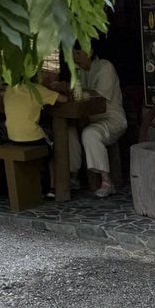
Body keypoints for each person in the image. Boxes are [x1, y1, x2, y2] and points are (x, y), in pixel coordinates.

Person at [56, 44, 127, 198]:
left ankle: (107, 182)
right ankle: (72, 176)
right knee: (68, 131)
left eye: (79, 53)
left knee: (90, 134)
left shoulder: (105, 67)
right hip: (88, 119)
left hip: (111, 120)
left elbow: (99, 95)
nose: (75, 57)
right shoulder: (80, 72)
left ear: (91, 52)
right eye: (73, 53)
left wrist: (69, 88)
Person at [2, 78, 67, 198]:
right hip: (32, 136)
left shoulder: (10, 87)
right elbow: (63, 99)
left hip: (12, 136)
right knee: (54, 149)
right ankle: (53, 187)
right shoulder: (38, 89)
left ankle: (35, 185)